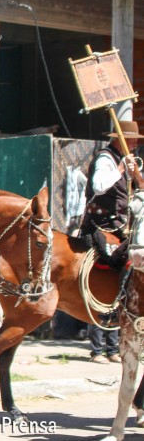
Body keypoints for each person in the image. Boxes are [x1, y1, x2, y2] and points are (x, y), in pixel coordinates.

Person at [79, 121, 142, 364]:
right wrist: (120, 167)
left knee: (128, 277)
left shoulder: (129, 160)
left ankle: (114, 346)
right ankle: (97, 348)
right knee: (107, 274)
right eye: (132, 139)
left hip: (122, 227)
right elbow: (99, 186)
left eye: (136, 139)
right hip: (101, 226)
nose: (135, 143)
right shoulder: (106, 159)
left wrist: (134, 173)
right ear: (119, 139)